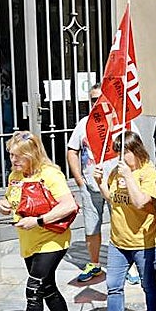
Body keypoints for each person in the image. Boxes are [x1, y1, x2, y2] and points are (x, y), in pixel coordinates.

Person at [0, 130, 82, 311]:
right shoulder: (16, 175)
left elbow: (68, 205)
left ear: (32, 153)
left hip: (52, 238)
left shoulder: (50, 174)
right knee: (47, 287)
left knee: (33, 290)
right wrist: (3, 204)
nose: (13, 161)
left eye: (18, 156)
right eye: (11, 155)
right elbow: (12, 201)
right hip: (29, 241)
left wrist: (39, 220)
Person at [91, 131, 156, 311]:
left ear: (135, 150)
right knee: (113, 286)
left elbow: (141, 202)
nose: (119, 157)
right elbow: (113, 199)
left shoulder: (148, 173)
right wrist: (100, 183)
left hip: (144, 241)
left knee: (148, 286)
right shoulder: (117, 172)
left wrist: (129, 177)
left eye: (124, 152)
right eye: (117, 151)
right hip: (118, 241)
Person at [66, 85, 106, 284]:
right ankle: (95, 264)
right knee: (91, 227)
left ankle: (128, 265)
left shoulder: (121, 123)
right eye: (92, 99)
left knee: (121, 227)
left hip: (117, 187)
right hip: (90, 186)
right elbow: (72, 150)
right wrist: (79, 180)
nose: (96, 103)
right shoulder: (83, 124)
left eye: (99, 98)